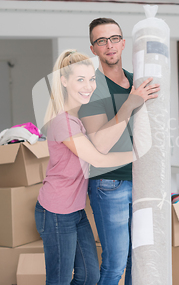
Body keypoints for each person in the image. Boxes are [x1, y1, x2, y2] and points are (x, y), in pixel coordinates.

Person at [35, 50, 134, 285]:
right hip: (56, 211)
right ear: (64, 81)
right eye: (80, 80)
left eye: (91, 79)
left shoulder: (77, 118)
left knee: (90, 275)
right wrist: (140, 155)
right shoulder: (64, 122)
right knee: (59, 280)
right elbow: (98, 159)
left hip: (75, 211)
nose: (88, 86)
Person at [78, 18, 160, 285]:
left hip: (141, 182)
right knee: (114, 264)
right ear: (93, 49)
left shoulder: (137, 82)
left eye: (114, 38)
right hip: (109, 182)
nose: (109, 45)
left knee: (135, 260)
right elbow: (100, 143)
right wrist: (131, 103)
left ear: (124, 43)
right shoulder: (90, 87)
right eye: (101, 41)